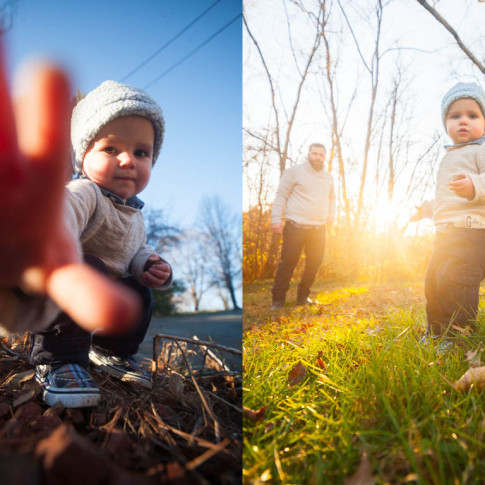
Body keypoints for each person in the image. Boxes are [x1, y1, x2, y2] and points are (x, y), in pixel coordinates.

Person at [0, 51, 172, 407]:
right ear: (83, 157)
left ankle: (110, 353)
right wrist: (52, 239)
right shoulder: (85, 192)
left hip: (106, 293)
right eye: (111, 148)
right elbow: (63, 214)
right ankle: (56, 360)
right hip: (69, 284)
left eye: (142, 152)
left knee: (138, 292)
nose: (128, 160)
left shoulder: (134, 213)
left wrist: (148, 264)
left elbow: (135, 249)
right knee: (86, 267)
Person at [424, 82, 485, 343]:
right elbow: (448, 196)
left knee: (458, 282)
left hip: (471, 232)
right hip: (446, 233)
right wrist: (428, 210)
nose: (463, 121)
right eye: (455, 116)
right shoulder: (452, 155)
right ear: (446, 123)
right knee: (435, 282)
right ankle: (436, 332)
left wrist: (476, 185)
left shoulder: (481, 150)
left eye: (473, 116)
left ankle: (458, 335)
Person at [270, 143, 335, 310]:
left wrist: (331, 214)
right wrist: (276, 219)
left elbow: (332, 198)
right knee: (288, 262)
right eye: (315, 154)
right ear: (309, 154)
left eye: (321, 154)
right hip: (295, 225)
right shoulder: (294, 172)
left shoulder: (328, 177)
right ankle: (278, 300)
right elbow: (281, 195)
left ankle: (303, 297)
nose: (318, 157)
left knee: (315, 263)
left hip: (319, 228)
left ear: (324, 157)